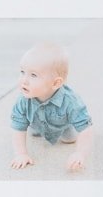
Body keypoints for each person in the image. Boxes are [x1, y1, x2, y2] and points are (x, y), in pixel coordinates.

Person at [10, 42, 94, 174]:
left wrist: (80, 154)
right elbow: (18, 127)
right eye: (22, 72)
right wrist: (21, 154)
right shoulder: (23, 100)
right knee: (33, 131)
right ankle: (38, 129)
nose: (24, 80)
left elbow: (85, 129)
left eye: (33, 75)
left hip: (62, 127)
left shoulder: (71, 102)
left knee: (70, 138)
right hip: (36, 124)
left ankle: (63, 133)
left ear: (56, 83)